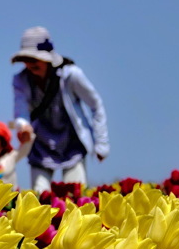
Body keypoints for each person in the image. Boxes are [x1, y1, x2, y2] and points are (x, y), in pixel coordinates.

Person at [11, 27, 108, 194]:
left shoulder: (71, 75)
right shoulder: (21, 80)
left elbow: (96, 104)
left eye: (34, 58)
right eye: (26, 59)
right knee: (39, 201)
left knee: (76, 199)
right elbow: (21, 110)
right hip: (41, 148)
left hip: (71, 146)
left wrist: (101, 144)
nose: (31, 64)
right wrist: (23, 126)